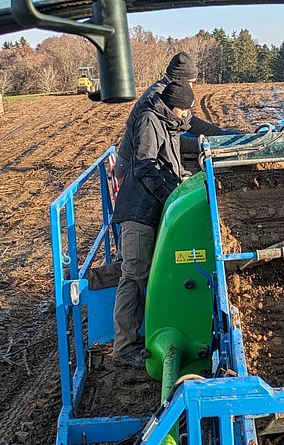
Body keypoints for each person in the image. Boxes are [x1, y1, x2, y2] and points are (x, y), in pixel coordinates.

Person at [109, 80, 196, 368]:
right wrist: (169, 196)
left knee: (144, 274)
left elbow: (169, 163)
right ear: (173, 106)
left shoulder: (167, 123)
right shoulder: (149, 121)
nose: (186, 115)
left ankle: (152, 332)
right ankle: (124, 347)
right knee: (135, 276)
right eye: (184, 110)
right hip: (138, 212)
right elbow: (145, 165)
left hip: (151, 209)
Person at [113, 52, 221, 182]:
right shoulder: (156, 101)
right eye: (189, 82)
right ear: (176, 78)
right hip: (131, 168)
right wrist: (202, 144)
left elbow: (190, 121)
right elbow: (164, 142)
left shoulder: (172, 94)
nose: (191, 87)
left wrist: (220, 134)